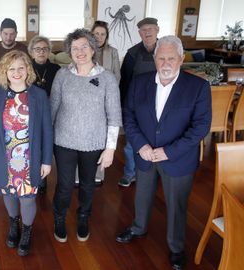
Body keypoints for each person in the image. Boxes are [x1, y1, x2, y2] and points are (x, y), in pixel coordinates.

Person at [115, 36, 212, 270]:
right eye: (161, 58)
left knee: (177, 205)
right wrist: (141, 146)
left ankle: (176, 247)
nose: (166, 63)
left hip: (177, 159)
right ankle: (138, 228)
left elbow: (200, 126)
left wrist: (168, 152)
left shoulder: (198, 87)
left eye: (171, 58)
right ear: (154, 59)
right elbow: (128, 116)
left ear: (181, 58)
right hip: (146, 155)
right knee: (142, 196)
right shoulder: (139, 82)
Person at [50, 28, 121, 243]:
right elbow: (52, 109)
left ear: (93, 49)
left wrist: (110, 148)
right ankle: (59, 218)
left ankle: (83, 217)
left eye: (84, 47)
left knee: (88, 185)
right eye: (74, 48)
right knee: (64, 185)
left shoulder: (107, 78)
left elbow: (114, 115)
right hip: (64, 141)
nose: (80, 52)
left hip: (93, 143)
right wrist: (45, 142)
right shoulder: (62, 75)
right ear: (69, 52)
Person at [0, 50, 53, 256]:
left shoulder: (38, 95)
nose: (16, 72)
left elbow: (47, 130)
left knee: (28, 198)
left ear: (28, 70)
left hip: (28, 157)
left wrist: (47, 160)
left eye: (21, 68)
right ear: (4, 71)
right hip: (2, 156)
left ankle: (27, 230)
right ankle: (14, 224)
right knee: (9, 193)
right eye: (11, 68)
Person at [118, 17, 159, 188]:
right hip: (137, 105)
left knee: (160, 141)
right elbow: (124, 82)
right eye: (143, 30)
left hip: (161, 104)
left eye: (150, 29)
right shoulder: (132, 54)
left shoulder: (165, 50)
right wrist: (123, 106)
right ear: (139, 33)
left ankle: (159, 173)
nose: (147, 32)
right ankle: (130, 173)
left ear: (158, 30)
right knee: (132, 143)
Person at [28, 35, 61, 194]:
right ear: (31, 52)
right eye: (37, 49)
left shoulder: (56, 69)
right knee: (36, 146)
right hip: (32, 112)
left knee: (51, 144)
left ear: (49, 51)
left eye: (44, 49)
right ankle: (38, 180)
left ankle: (52, 176)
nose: (41, 52)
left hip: (52, 111)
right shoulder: (26, 68)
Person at [91, 20, 121, 186]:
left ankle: (98, 174)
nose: (100, 37)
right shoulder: (85, 50)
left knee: (102, 139)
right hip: (87, 101)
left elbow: (117, 76)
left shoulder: (113, 52)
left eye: (103, 34)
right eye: (97, 34)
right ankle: (79, 174)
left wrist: (105, 91)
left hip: (105, 100)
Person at [0, 18, 28, 84]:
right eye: (5, 34)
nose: (8, 37)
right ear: (0, 33)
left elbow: (28, 70)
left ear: (16, 34)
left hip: (19, 87)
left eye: (12, 34)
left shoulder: (24, 49)